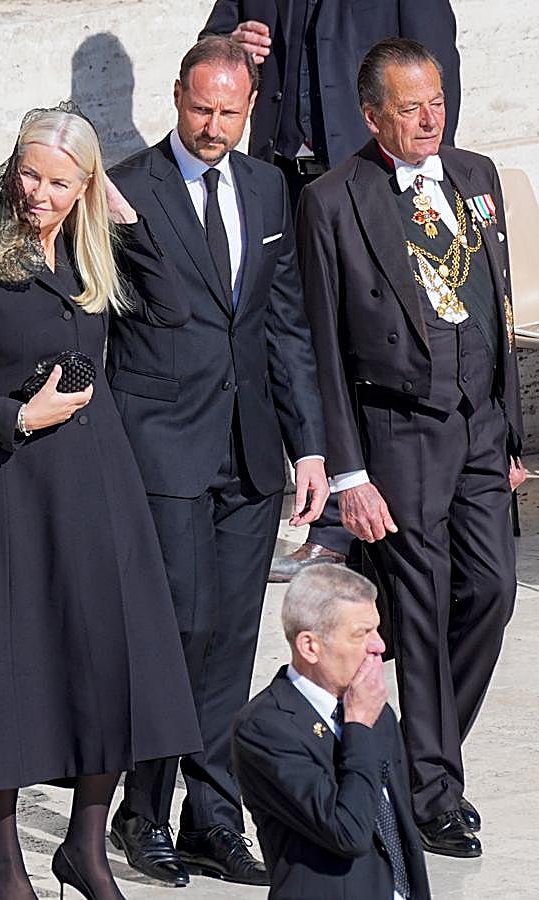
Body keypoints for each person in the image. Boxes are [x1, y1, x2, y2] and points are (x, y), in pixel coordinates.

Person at [0, 104, 202, 900]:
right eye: (30, 174)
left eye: (61, 182)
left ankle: (84, 848)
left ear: (87, 185)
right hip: (5, 481)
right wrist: (17, 415)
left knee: (112, 654)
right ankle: (2, 857)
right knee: (10, 662)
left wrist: (128, 218)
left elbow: (172, 308)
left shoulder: (89, 243)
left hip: (98, 478)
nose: (39, 193)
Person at [106, 36, 328, 888]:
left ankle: (212, 816)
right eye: (201, 108)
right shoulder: (125, 188)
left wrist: (309, 446)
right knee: (173, 632)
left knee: (231, 640)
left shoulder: (270, 185)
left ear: (249, 109)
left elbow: (284, 327)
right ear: (176, 96)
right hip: (159, 447)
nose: (213, 126)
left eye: (229, 112)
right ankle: (140, 810)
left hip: (251, 452)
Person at [297, 38, 527, 857]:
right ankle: (435, 790)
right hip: (397, 430)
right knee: (420, 613)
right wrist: (348, 470)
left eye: (435, 101)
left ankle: (409, 756)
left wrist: (511, 434)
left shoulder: (478, 175)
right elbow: (321, 342)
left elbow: (496, 310)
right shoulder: (332, 199)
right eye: (409, 107)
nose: (430, 118)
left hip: (478, 428)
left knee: (495, 593)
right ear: (372, 115)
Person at [200, 0, 462, 580]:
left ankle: (342, 528)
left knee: (358, 347)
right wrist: (233, 43)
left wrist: (415, 183)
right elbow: (214, 41)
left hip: (366, 182)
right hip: (281, 177)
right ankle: (316, 507)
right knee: (297, 341)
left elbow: (436, 70)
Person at [232, 565, 431, 899]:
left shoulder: (374, 711)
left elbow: (400, 830)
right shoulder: (266, 728)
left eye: (377, 630)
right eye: (361, 634)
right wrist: (357, 729)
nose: (379, 646)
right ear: (310, 646)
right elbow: (348, 832)